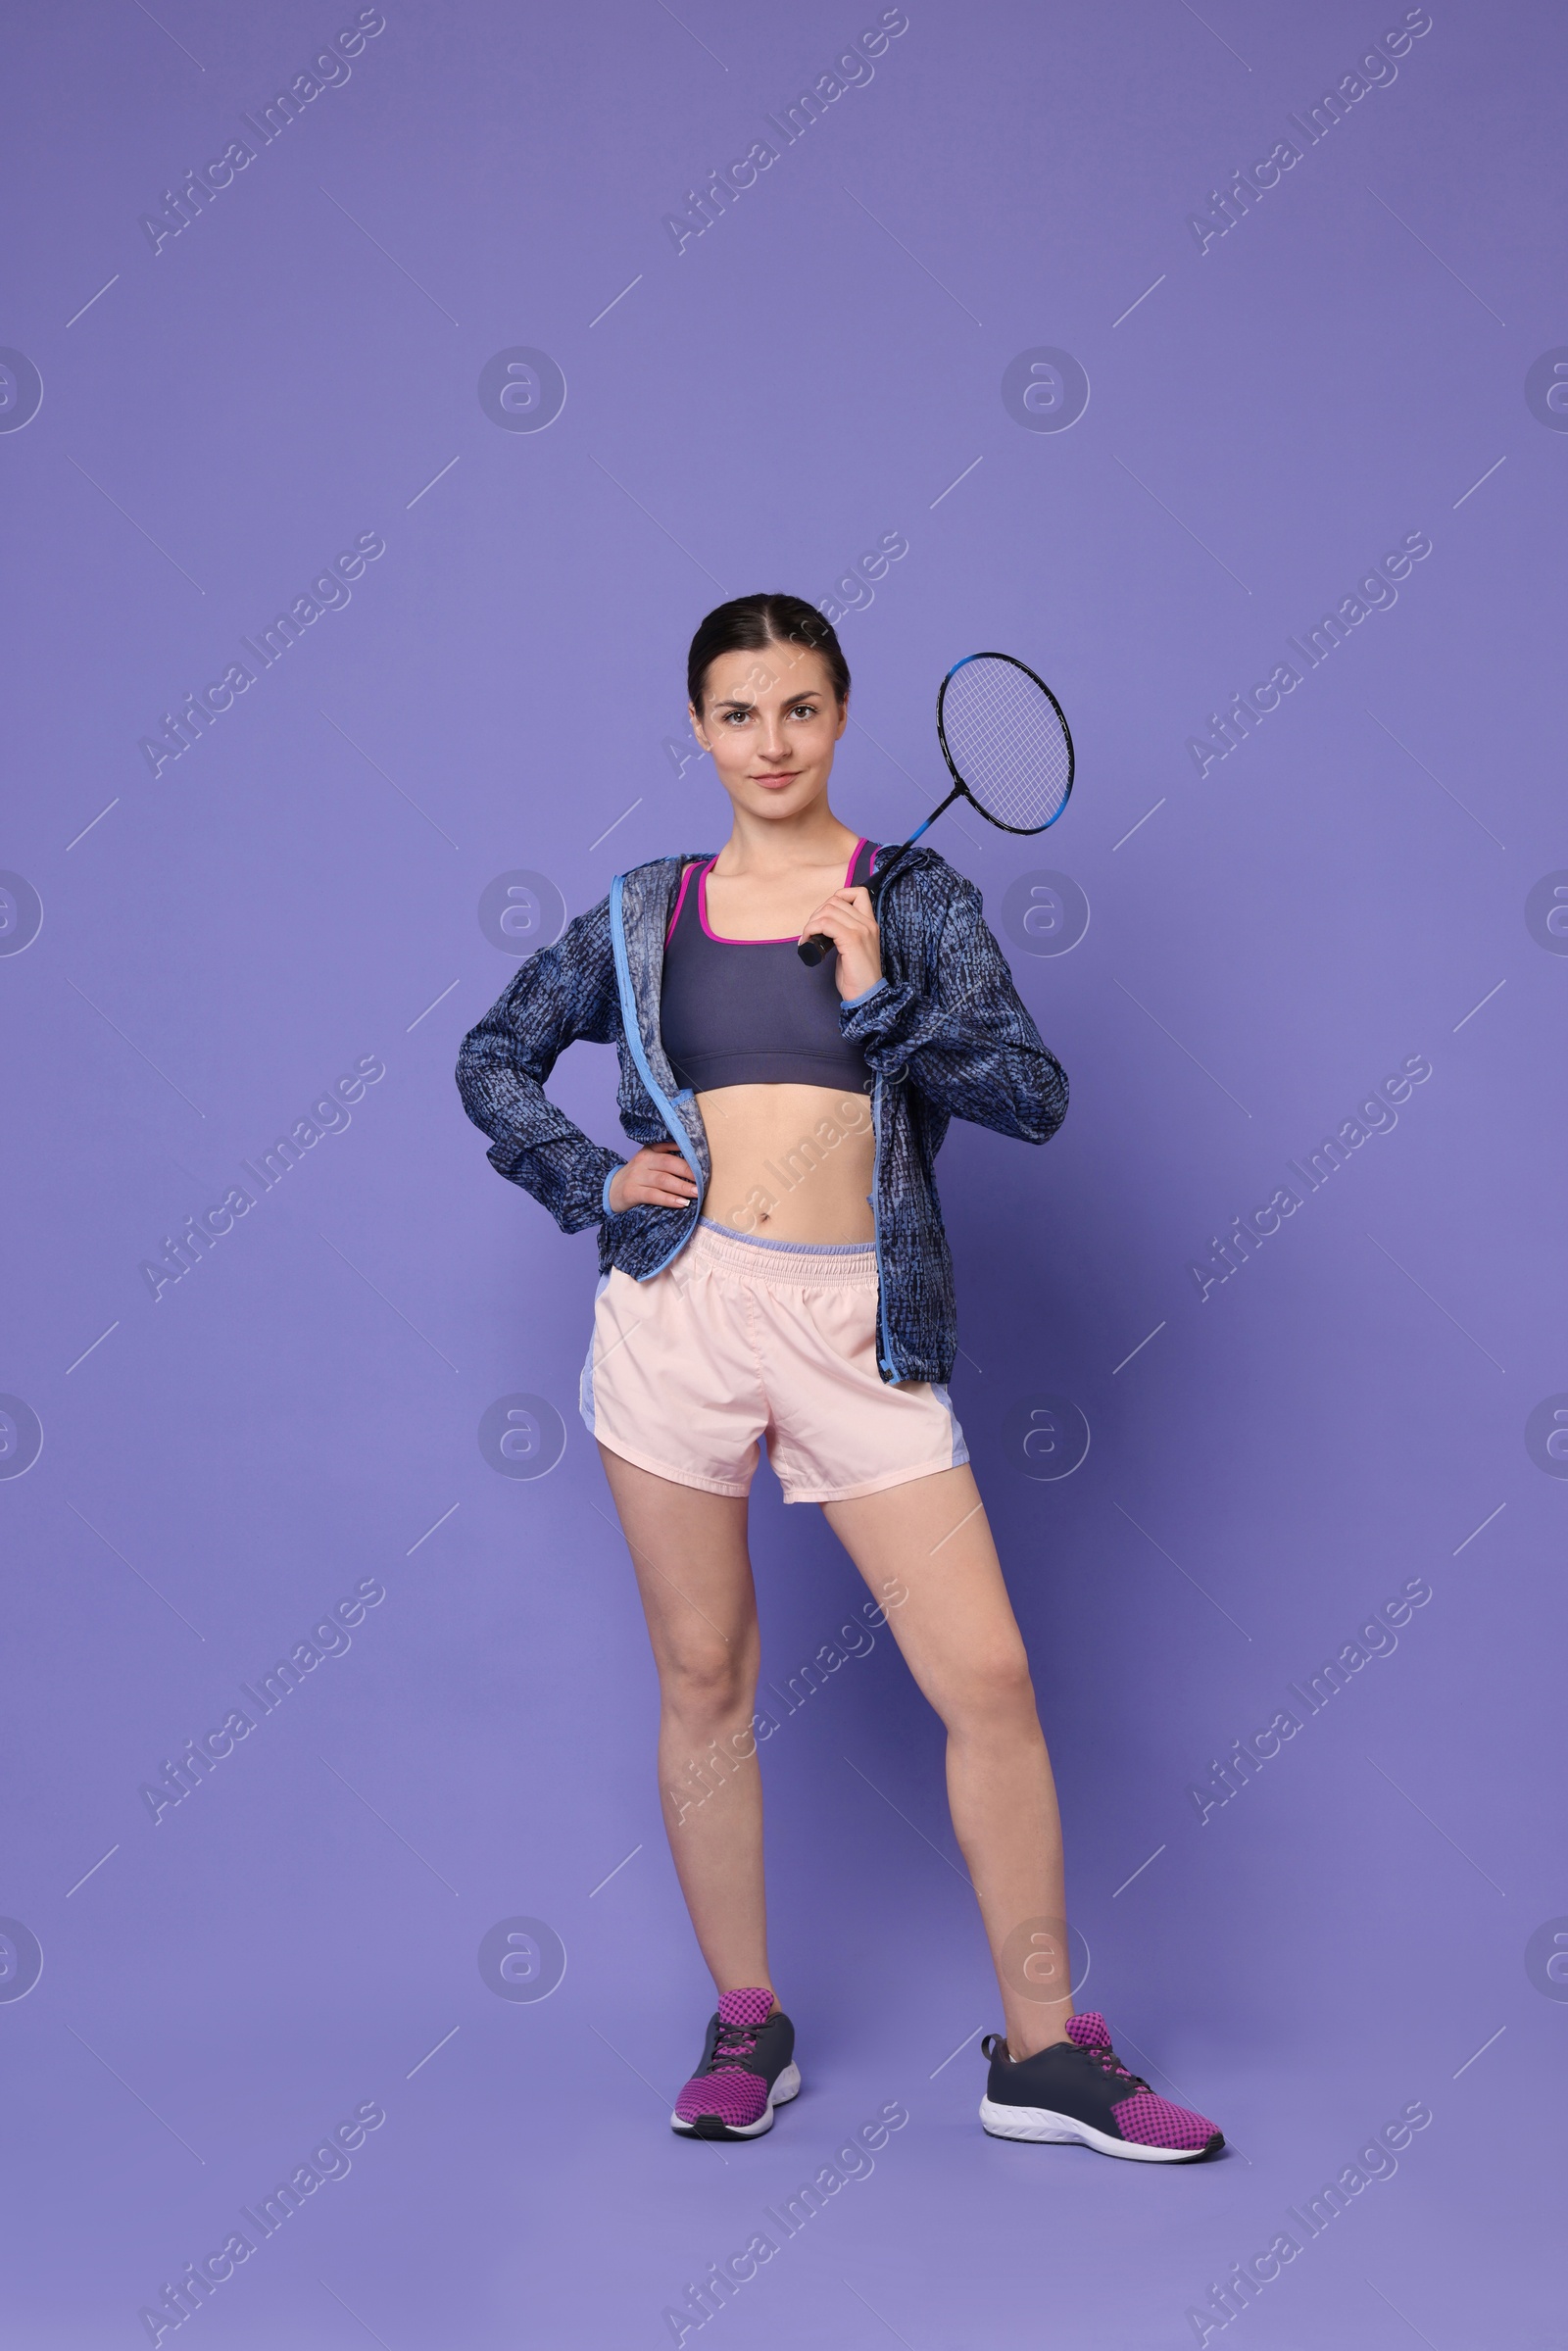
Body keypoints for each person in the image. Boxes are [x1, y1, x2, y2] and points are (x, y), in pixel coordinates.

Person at [455, 594, 1222, 2163]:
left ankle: (1041, 2054)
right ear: (697, 730)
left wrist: (884, 999)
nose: (771, 742)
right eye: (739, 714)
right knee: (704, 1680)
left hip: (862, 1328)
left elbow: (1035, 1095)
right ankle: (749, 2022)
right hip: (679, 1319)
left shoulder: (916, 896)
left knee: (989, 1680)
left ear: (844, 719)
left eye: (799, 710)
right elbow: (491, 1054)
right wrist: (584, 1179)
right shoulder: (641, 910)